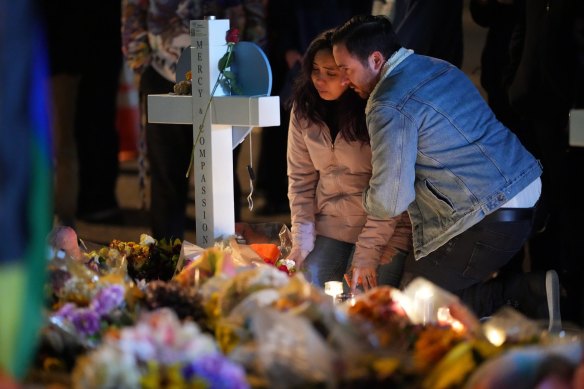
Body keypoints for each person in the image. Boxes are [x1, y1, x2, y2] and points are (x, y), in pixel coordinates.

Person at [331, 14, 559, 321]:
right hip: (529, 189)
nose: (344, 81)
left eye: (346, 69)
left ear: (375, 59)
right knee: (433, 289)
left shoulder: (388, 102)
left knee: (416, 309)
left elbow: (390, 199)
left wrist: (360, 199)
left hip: (488, 212)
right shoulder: (437, 66)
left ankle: (524, 293)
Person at [122, 0, 266, 240]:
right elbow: (134, 10)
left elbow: (255, 13)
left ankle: (226, 262)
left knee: (222, 170)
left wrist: (249, 60)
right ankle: (165, 262)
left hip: (226, 70)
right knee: (167, 172)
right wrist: (141, 64)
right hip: (162, 70)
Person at [286, 30, 412, 291]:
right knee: (309, 297)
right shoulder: (305, 108)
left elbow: (392, 188)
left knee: (363, 308)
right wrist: (302, 239)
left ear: (349, 71)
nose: (320, 80)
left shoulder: (376, 110)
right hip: (330, 226)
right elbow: (300, 179)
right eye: (315, 70)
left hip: (382, 231)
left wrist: (371, 252)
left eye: (331, 73)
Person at [255, 0, 373, 216]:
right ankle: (271, 191)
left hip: (343, 48)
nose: (320, 78)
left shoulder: (369, 101)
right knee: (286, 127)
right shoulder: (303, 103)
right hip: (302, 49)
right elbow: (280, 13)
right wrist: (288, 48)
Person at [41, 0, 122, 227]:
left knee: (57, 146)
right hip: (81, 56)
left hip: (59, 59)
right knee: (63, 146)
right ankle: (63, 225)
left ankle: (59, 225)